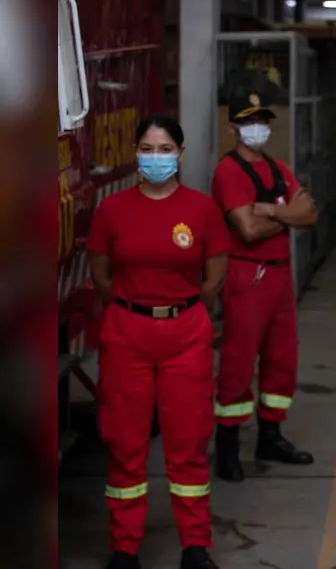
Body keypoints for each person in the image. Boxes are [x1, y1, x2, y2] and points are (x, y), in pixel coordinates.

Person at [87, 115, 227, 569]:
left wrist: (176, 307)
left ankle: (195, 545)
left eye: (165, 149)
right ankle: (125, 548)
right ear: (135, 154)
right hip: (126, 333)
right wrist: (141, 307)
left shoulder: (202, 209)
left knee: (187, 443)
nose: (155, 157)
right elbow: (102, 275)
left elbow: (213, 276)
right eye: (147, 149)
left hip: (185, 334)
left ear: (181, 156)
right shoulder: (112, 210)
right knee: (125, 443)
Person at [211, 91, 318, 483]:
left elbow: (310, 213)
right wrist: (289, 214)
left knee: (281, 358)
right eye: (248, 121)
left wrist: (272, 209)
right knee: (239, 360)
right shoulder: (229, 172)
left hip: (278, 273)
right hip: (246, 274)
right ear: (233, 128)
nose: (258, 128)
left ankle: (270, 435)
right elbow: (248, 229)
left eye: (263, 120)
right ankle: (226, 446)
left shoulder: (277, 167)